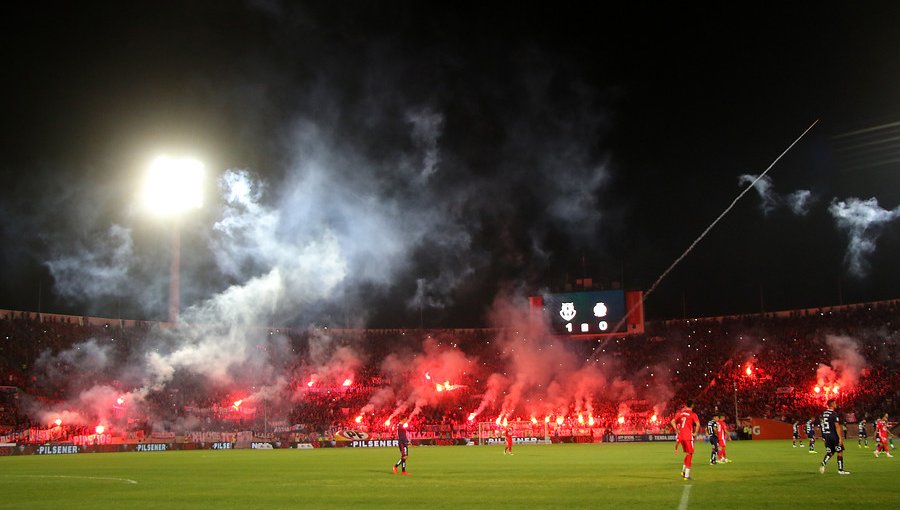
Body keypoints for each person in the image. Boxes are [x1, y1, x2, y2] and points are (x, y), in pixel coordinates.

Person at [672, 400, 700, 480]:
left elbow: (672, 421)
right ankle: (686, 475)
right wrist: (695, 433)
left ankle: (683, 471)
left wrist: (676, 430)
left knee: (688, 454)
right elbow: (698, 424)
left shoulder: (680, 413)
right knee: (690, 454)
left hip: (681, 437)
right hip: (688, 436)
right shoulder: (693, 414)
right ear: (692, 405)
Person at [819, 398, 849, 474]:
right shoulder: (834, 414)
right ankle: (840, 470)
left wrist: (823, 436)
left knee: (830, 452)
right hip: (833, 435)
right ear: (831, 404)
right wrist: (840, 438)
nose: (836, 404)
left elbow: (823, 425)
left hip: (827, 436)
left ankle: (823, 463)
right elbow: (837, 426)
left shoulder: (824, 413)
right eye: (835, 403)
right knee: (839, 451)